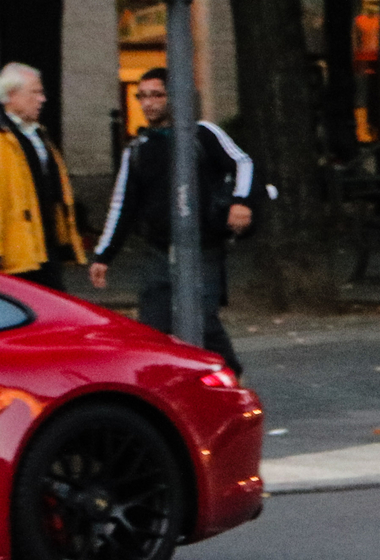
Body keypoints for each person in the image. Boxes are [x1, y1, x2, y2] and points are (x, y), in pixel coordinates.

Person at [88, 66, 254, 370]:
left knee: (203, 322)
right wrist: (104, 254)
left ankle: (230, 378)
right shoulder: (138, 149)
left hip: (203, 249)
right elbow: (122, 204)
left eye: (157, 95)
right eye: (142, 97)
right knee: (153, 329)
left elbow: (243, 163)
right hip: (159, 252)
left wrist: (241, 202)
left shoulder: (202, 133)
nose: (148, 103)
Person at [0, 63, 87, 293]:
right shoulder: (4, 137)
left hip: (44, 248)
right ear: (11, 95)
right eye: (34, 93)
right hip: (14, 255)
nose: (42, 99)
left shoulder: (39, 134)